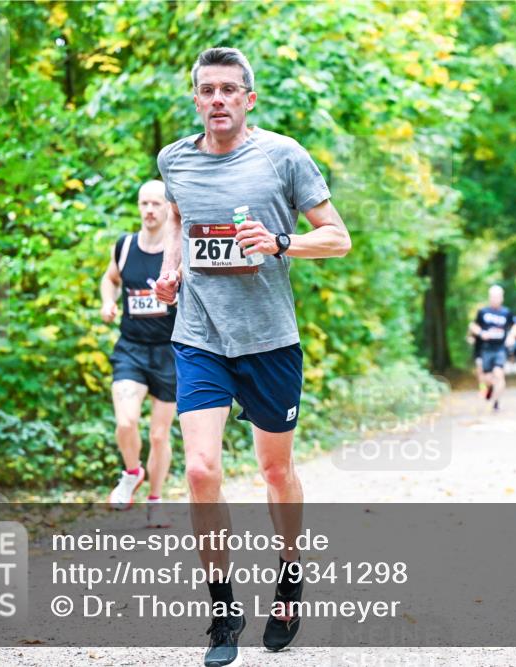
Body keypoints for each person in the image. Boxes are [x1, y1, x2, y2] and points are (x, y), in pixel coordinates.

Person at [153, 47, 351, 667]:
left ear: (248, 98)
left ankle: (289, 577)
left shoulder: (283, 156)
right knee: (202, 472)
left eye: (228, 90)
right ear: (195, 98)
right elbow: (182, 227)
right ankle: (222, 609)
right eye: (206, 90)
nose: (217, 100)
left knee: (273, 472)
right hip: (199, 336)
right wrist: (171, 272)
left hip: (269, 340)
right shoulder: (174, 160)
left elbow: (338, 238)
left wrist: (281, 242)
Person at [100, 180, 177, 529]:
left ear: (168, 208)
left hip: (171, 351)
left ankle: (156, 499)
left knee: (160, 435)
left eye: (156, 204)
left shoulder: (177, 248)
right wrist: (107, 302)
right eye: (144, 204)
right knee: (125, 422)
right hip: (131, 348)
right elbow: (110, 278)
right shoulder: (126, 246)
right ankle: (132, 472)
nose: (149, 210)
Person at [468, 285, 513, 411]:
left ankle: (496, 401)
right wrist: (480, 333)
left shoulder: (506, 312)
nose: (495, 299)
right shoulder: (483, 312)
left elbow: (515, 326)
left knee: (499, 374)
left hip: (500, 348)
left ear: (502, 298)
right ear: (489, 298)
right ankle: (489, 388)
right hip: (486, 348)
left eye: (498, 296)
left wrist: (511, 337)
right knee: (487, 378)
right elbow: (473, 326)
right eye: (493, 296)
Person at [465, 323, 489, 398]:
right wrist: (471, 340)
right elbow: (469, 337)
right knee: (480, 371)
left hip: (490, 352)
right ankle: (483, 389)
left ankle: (490, 387)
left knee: (489, 373)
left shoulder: (491, 324)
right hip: (479, 353)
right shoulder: (474, 325)